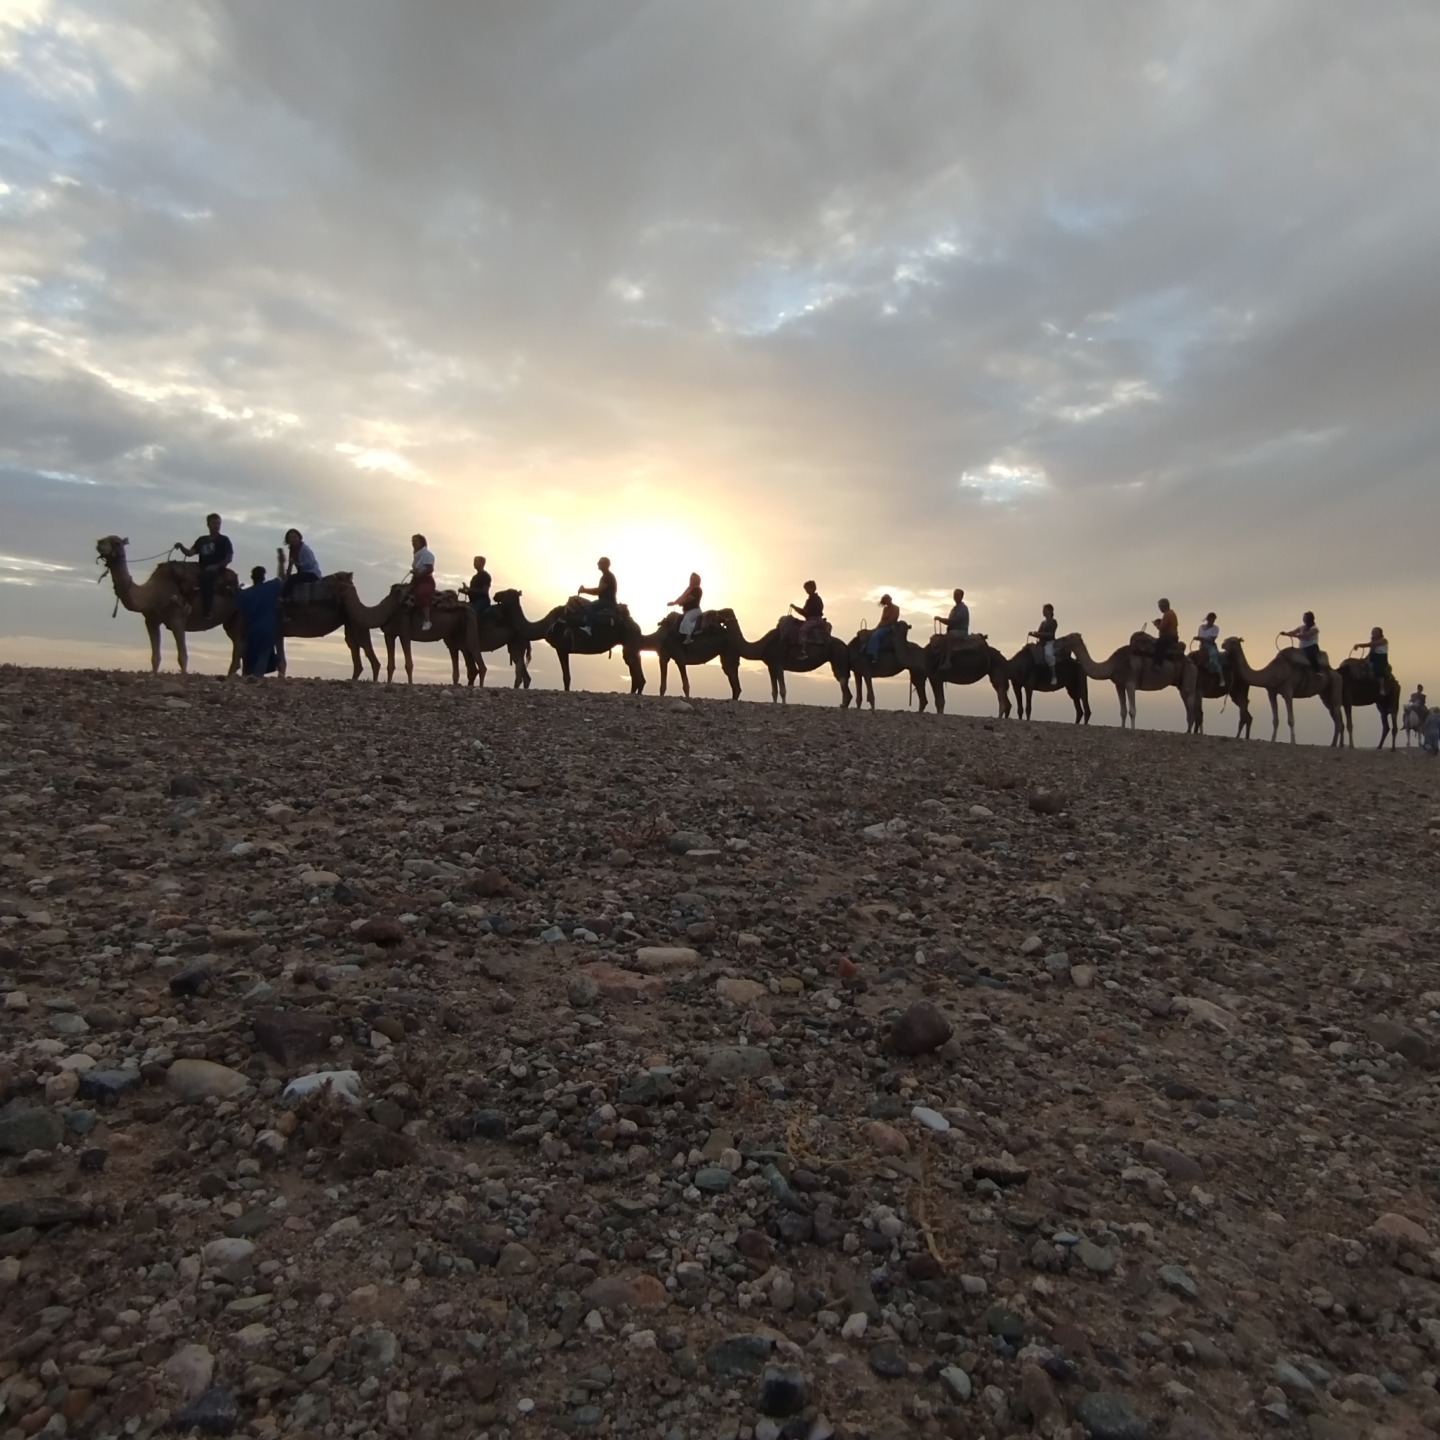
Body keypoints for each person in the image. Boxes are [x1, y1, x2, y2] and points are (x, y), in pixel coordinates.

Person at [175, 513, 233, 618]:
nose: (216, 526)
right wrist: (181, 547)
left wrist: (215, 566)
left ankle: (207, 609)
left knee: (206, 578)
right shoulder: (202, 540)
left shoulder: (224, 540)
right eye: (214, 523)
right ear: (208, 524)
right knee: (180, 573)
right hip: (201, 568)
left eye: (218, 523)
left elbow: (229, 558)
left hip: (217, 570)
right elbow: (190, 553)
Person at [234, 569, 281, 678]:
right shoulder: (271, 587)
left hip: (252, 630)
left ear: (252, 577)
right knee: (263, 656)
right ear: (263, 577)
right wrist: (282, 562)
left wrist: (242, 633)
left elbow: (241, 615)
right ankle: (257, 679)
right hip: (268, 628)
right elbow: (282, 578)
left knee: (250, 656)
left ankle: (247, 678)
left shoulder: (245, 594)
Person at [577, 556, 618, 633]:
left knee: (590, 607)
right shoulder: (605, 576)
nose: (598, 564)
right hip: (606, 601)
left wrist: (584, 590)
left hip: (608, 601)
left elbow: (598, 591)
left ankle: (589, 627)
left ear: (606, 564)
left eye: (600, 562)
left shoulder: (607, 576)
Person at [278, 529, 321, 598]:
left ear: (299, 538)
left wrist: (296, 563)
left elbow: (309, 565)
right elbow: (290, 566)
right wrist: (286, 574)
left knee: (293, 579)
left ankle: (283, 598)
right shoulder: (292, 550)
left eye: (295, 537)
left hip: (313, 573)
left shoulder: (304, 549)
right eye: (291, 538)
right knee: (288, 580)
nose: (293, 539)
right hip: (303, 573)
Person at [409, 534, 436, 632]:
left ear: (421, 542)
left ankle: (427, 620)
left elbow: (430, 569)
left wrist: (419, 574)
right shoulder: (418, 556)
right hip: (416, 580)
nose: (413, 543)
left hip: (426, 581)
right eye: (412, 541)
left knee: (422, 594)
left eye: (415, 541)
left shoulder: (427, 555)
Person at [790, 580, 826, 646]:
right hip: (810, 619)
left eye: (807, 588)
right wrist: (795, 608)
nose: (806, 590)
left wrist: (796, 608)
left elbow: (807, 612)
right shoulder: (809, 600)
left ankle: (802, 650)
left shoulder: (816, 599)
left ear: (812, 588)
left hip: (815, 619)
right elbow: (805, 612)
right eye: (805, 589)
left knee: (802, 630)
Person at [1030, 604, 1058, 687]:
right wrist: (1033, 634)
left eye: (1045, 610)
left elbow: (1050, 634)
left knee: (1048, 654)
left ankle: (1054, 676)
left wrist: (1038, 634)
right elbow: (1039, 633)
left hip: (1049, 643)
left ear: (1050, 611)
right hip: (1041, 644)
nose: (1043, 612)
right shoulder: (1043, 623)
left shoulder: (1053, 622)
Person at [669, 573, 703, 641]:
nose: (690, 580)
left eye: (692, 579)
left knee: (686, 620)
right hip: (686, 611)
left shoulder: (697, 590)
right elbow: (682, 597)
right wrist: (674, 602)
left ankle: (688, 638)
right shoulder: (689, 589)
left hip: (694, 610)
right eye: (690, 578)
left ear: (697, 580)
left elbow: (688, 599)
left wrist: (676, 603)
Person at [866, 594, 901, 661]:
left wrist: (882, 625)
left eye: (887, 600)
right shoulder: (885, 609)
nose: (887, 602)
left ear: (890, 599)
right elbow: (882, 619)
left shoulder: (896, 608)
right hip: (883, 626)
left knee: (876, 636)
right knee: (871, 633)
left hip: (891, 627)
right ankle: (868, 650)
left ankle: (874, 655)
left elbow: (892, 620)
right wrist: (877, 627)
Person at [1153, 598, 1180, 667]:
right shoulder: (1172, 613)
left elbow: (1162, 628)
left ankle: (1158, 664)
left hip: (1168, 637)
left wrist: (1156, 624)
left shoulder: (1167, 614)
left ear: (1164, 606)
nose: (1160, 608)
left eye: (1160, 607)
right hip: (1174, 637)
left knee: (1158, 644)